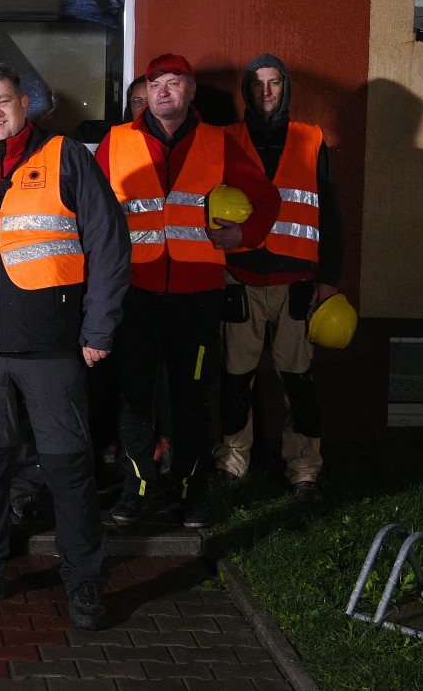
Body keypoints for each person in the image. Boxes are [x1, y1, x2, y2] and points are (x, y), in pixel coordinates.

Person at [0, 63, 130, 631]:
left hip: (54, 352)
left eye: (2, 102)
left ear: (24, 104)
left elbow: (109, 246)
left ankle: (84, 582)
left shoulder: (66, 157)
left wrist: (98, 331)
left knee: (68, 471)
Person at [96, 53, 281, 528]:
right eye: (156, 83)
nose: (164, 91)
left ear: (191, 92)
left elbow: (266, 198)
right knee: (135, 400)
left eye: (174, 83)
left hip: (197, 296)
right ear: (146, 92)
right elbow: (87, 211)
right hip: (132, 294)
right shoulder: (116, 143)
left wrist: (244, 236)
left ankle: (191, 492)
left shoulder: (219, 143)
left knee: (192, 401)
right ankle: (135, 490)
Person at [213, 54, 344, 500]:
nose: (266, 92)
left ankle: (304, 467)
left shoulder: (311, 139)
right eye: (257, 84)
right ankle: (233, 459)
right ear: (246, 90)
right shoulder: (225, 139)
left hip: (297, 283)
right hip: (240, 279)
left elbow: (331, 214)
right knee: (235, 379)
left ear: (285, 87)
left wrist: (329, 278)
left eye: (274, 83)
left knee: (298, 382)